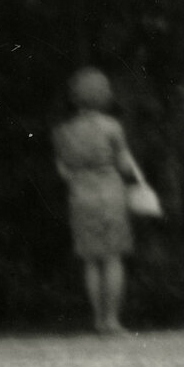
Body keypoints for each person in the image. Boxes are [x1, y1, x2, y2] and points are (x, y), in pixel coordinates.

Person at [52, 68, 143, 337]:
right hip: (110, 193)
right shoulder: (112, 127)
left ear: (75, 97)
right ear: (104, 96)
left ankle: (98, 321)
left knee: (91, 260)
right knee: (113, 258)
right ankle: (113, 321)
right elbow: (125, 165)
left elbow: (63, 171)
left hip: (81, 196)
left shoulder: (62, 131)